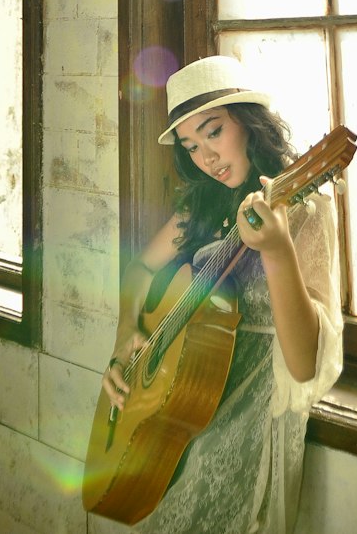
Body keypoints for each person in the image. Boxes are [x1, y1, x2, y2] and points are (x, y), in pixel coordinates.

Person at [101, 55, 343, 534]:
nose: (206, 157)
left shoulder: (304, 210)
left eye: (214, 132)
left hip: (247, 425)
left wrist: (276, 250)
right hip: (181, 413)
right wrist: (125, 335)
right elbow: (139, 268)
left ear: (249, 124)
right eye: (191, 146)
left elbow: (304, 366)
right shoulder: (203, 205)